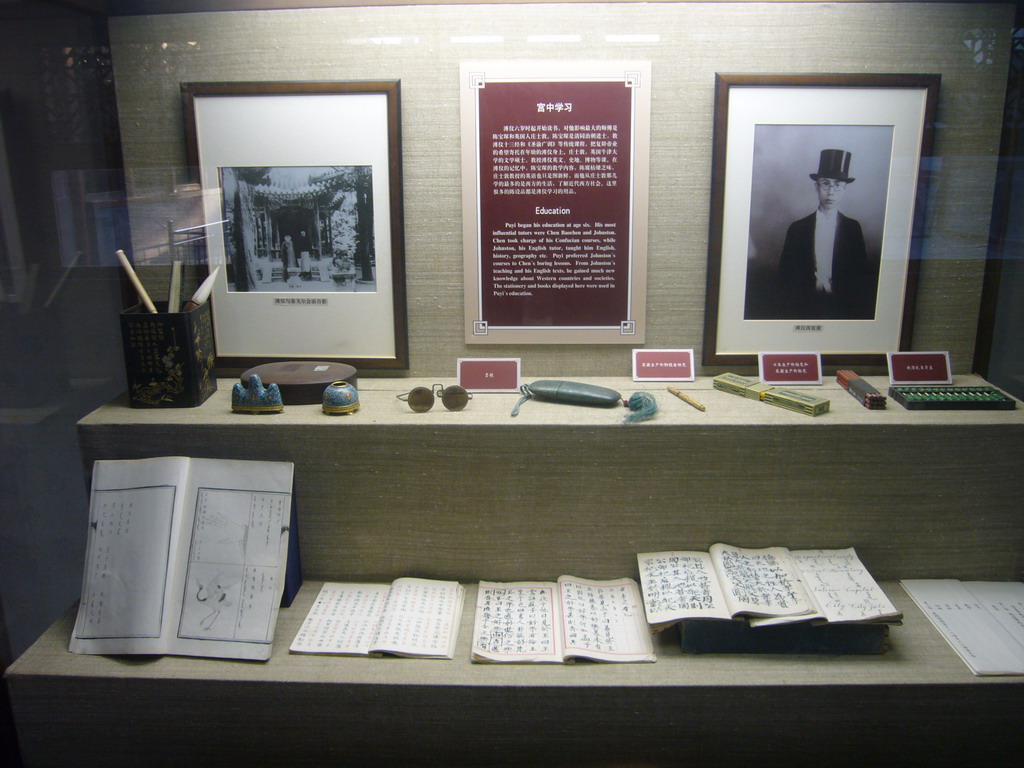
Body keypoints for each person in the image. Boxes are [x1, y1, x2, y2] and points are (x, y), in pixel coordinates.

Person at [777, 149, 877, 319]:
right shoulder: (798, 229)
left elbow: (860, 277)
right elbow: (785, 276)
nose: (831, 191)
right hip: (804, 306)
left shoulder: (852, 228)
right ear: (816, 187)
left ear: (845, 189)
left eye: (837, 185)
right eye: (825, 184)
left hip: (843, 306)